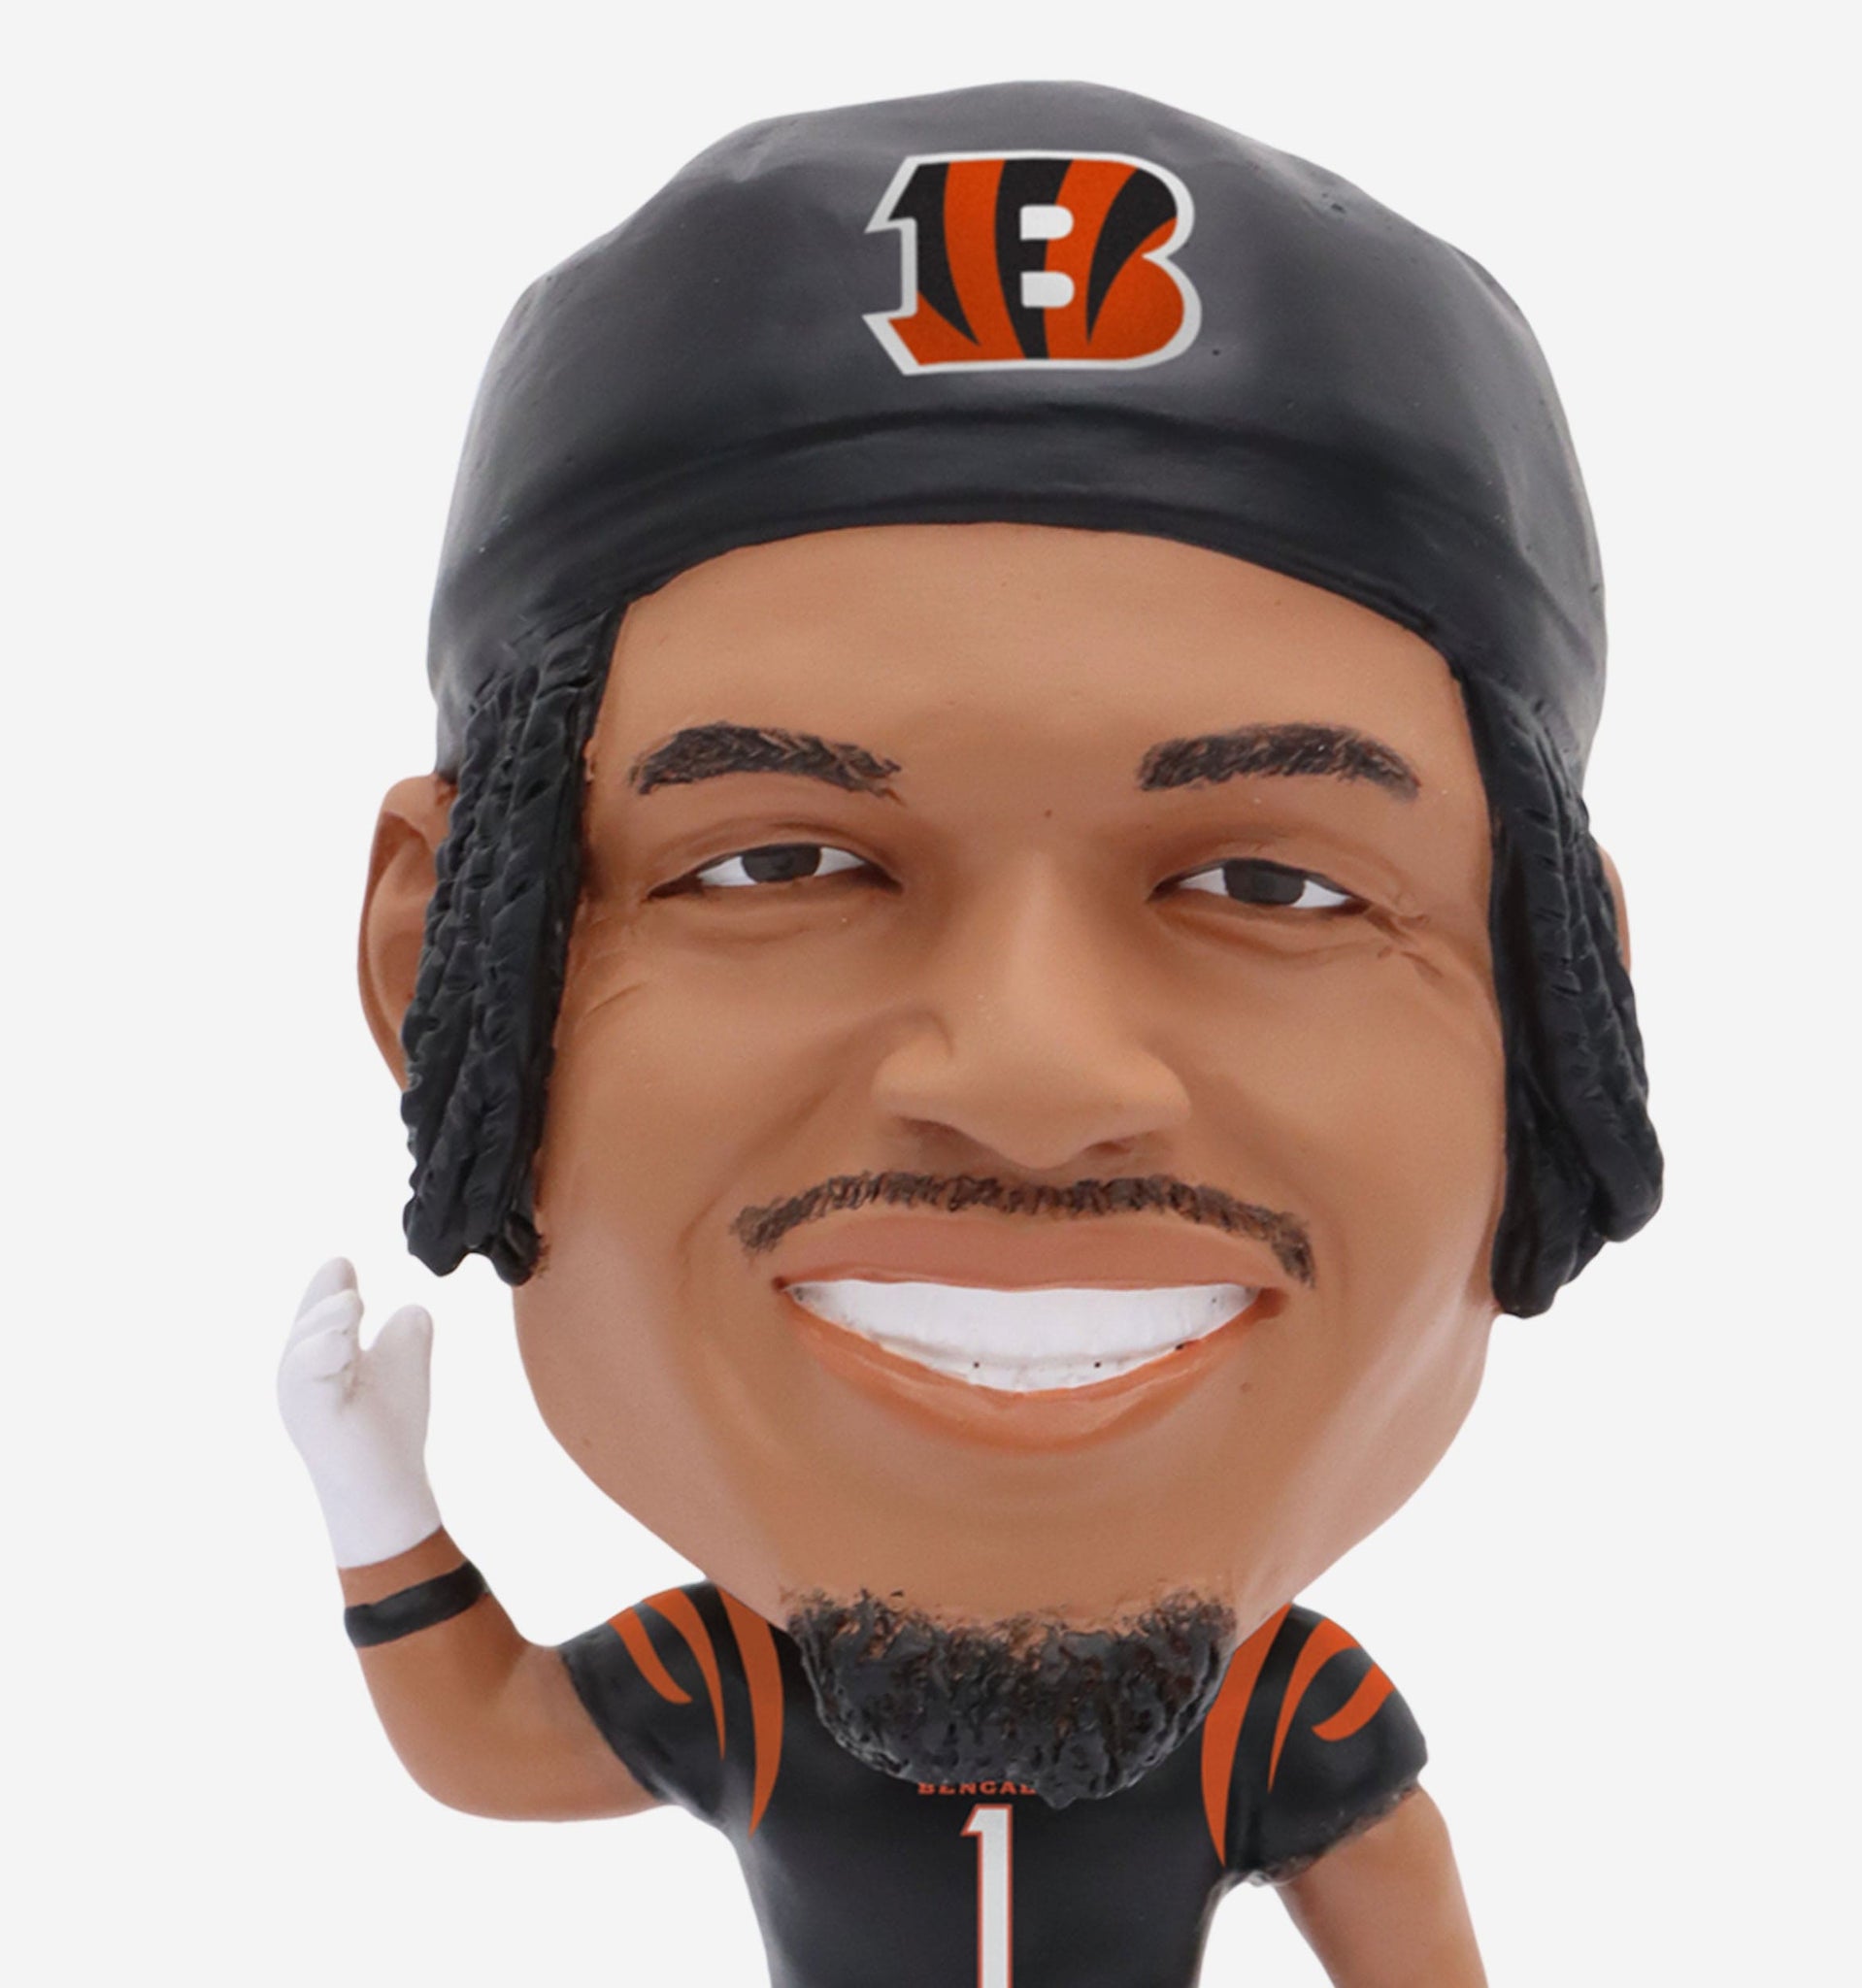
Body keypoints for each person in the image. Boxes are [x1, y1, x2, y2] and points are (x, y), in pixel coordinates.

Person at [280, 81, 1660, 1986]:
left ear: (1558, 1037)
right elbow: (489, 1746)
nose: (1031, 1081)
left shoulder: (1289, 1722)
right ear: (438, 977)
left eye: (1271, 884)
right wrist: (372, 1503)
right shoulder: (729, 1687)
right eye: (777, 862)